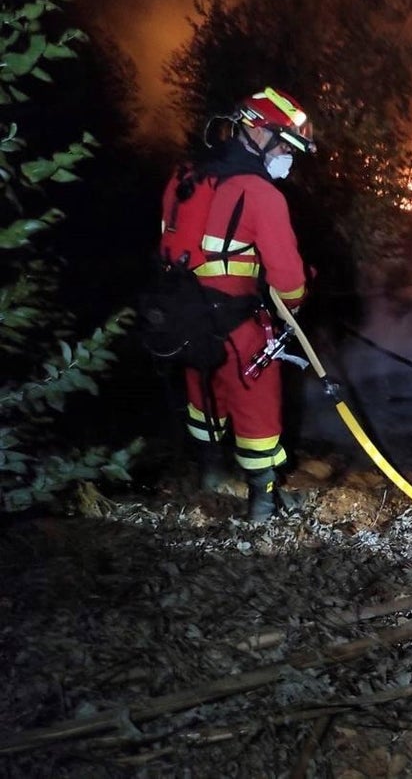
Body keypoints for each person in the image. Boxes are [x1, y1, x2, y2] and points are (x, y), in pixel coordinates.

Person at [160, 87, 316, 522]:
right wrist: (297, 300)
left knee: (203, 395)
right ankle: (262, 504)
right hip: (237, 326)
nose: (288, 155)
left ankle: (209, 476)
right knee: (257, 409)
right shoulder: (261, 194)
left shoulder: (184, 175)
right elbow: (289, 280)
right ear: (257, 131)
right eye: (284, 144)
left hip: (183, 319)